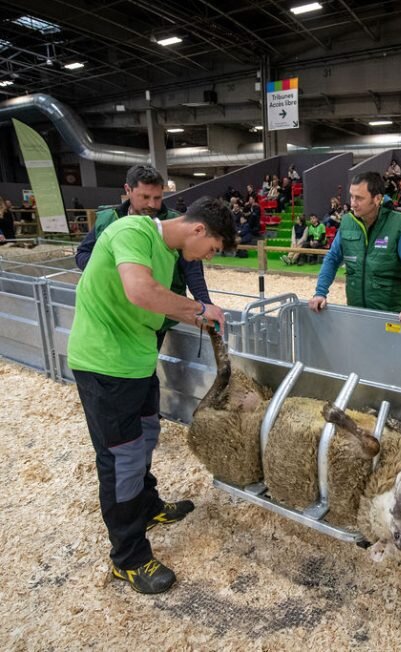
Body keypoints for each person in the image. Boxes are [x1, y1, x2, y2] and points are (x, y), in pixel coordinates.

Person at [68, 196, 235, 594]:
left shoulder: (168, 252)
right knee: (121, 458)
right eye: (211, 250)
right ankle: (128, 557)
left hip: (137, 362)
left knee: (145, 437)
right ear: (198, 230)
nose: (206, 258)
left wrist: (202, 314)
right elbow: (140, 292)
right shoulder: (132, 231)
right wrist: (198, 307)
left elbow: (160, 305)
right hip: (104, 365)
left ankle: (147, 506)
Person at [308, 171, 401, 326]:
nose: (353, 203)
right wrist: (320, 292)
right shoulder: (347, 222)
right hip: (356, 312)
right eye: (352, 196)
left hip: (391, 316)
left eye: (360, 198)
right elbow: (333, 258)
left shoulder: (400, 224)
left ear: (377, 199)